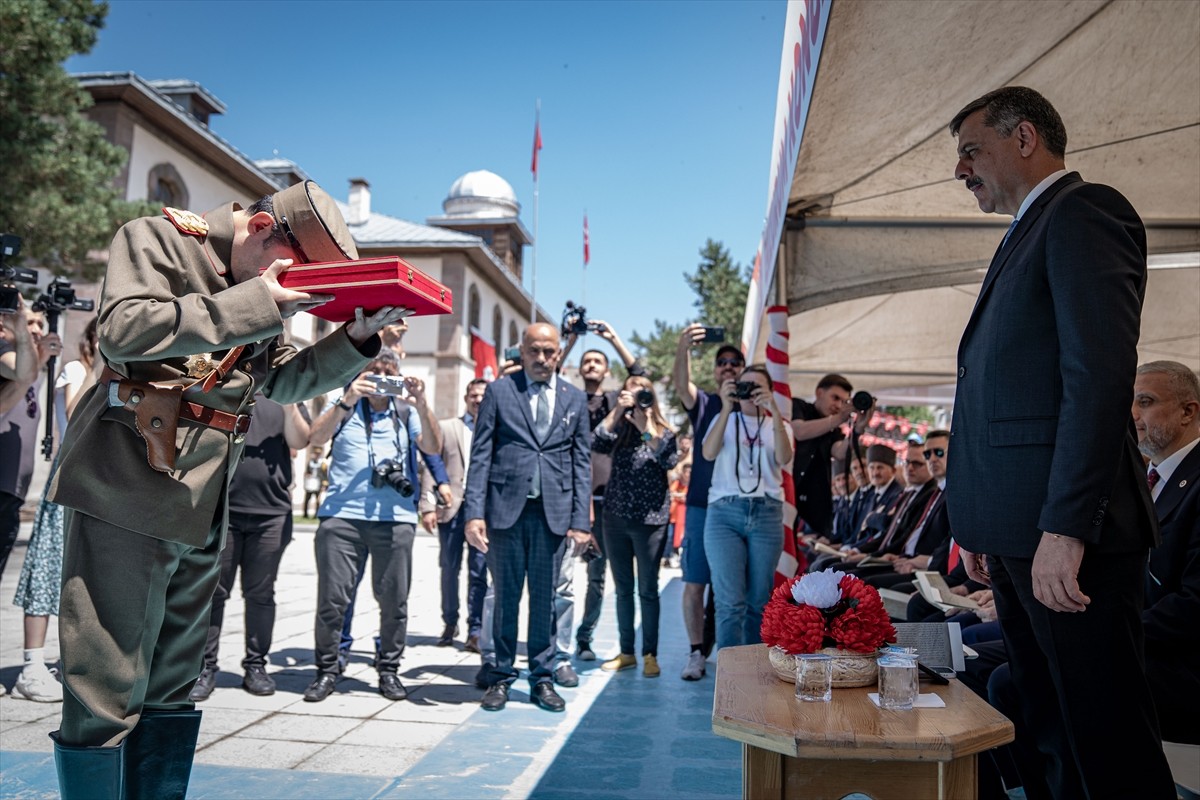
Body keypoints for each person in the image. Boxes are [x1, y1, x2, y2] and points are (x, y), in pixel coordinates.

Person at [45, 179, 406, 798]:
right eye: (295, 280)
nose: (299, 296)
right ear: (263, 230)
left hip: (203, 505)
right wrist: (261, 302)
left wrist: (356, 341)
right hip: (125, 490)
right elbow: (123, 332)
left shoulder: (262, 286)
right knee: (104, 681)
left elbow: (283, 385)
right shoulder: (156, 239)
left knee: (172, 685)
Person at [945, 86, 1174, 798]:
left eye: (970, 151)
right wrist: (982, 521)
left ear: (1024, 139)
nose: (961, 172)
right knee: (1046, 727)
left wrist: (1066, 527)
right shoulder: (1026, 231)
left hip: (1066, 536)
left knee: (1103, 740)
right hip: (1017, 531)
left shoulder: (1083, 212)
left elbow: (1097, 378)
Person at [464, 323, 593, 713]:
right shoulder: (501, 392)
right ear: (521, 351)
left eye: (549, 352)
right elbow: (481, 453)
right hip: (504, 514)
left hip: (552, 516)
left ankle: (542, 678)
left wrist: (581, 521)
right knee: (504, 599)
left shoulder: (574, 399)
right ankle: (501, 676)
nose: (541, 359)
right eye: (534, 351)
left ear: (558, 354)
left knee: (544, 601)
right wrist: (474, 513)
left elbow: (581, 463)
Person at [302, 350, 441, 703]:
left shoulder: (405, 411)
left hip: (395, 521)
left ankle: (389, 669)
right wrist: (349, 398)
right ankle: (327, 670)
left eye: (387, 371)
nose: (379, 376)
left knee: (394, 601)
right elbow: (316, 439)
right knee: (333, 601)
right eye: (372, 370)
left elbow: (432, 447)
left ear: (398, 375)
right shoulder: (343, 402)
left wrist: (423, 404)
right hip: (341, 518)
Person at [189, 393, 311, 701]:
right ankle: (204, 668)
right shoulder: (229, 385)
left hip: (271, 514)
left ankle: (256, 666)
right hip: (222, 509)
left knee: (260, 594)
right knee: (213, 592)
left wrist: (289, 400)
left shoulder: (288, 392)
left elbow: (300, 440)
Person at [9, 318, 97, 703]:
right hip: (67, 484)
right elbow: (76, 415)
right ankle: (31, 666)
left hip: (99, 490)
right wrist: (101, 367)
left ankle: (73, 663)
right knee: (47, 571)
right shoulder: (77, 370)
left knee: (86, 581)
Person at [562, 322, 646, 674]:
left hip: (608, 500)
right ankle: (560, 640)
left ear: (607, 370)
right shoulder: (568, 397)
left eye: (599, 361)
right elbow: (549, 369)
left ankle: (584, 637)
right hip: (573, 499)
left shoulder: (615, 399)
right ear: (580, 370)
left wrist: (611, 338)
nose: (593, 365)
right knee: (564, 577)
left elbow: (639, 374)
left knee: (599, 577)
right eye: (588, 361)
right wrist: (570, 340)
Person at [1132, 361, 1200, 746]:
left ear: (1188, 411)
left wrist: (1114, 631)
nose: (1133, 416)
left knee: (1015, 678)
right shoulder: (1146, 478)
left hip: (1180, 662)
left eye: (1145, 402)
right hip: (1144, 640)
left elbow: (1194, 605)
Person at [672, 326, 746, 680]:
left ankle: (732, 655)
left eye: (735, 362)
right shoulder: (705, 404)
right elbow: (680, 385)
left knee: (733, 591)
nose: (728, 367)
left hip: (739, 508)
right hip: (702, 507)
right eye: (722, 362)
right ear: (715, 370)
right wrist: (683, 347)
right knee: (694, 583)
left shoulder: (754, 408)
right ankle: (696, 653)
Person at [701, 364, 793, 649]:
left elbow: (784, 457)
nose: (749, 393)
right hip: (724, 512)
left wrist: (774, 411)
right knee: (729, 602)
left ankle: (754, 674)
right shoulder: (723, 419)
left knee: (759, 601)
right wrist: (728, 407)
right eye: (744, 386)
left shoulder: (780, 425)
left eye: (756, 387)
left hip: (766, 512)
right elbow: (708, 452)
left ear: (769, 390)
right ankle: (727, 678)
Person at [592, 376, 678, 677]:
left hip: (650, 522)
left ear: (651, 395)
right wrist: (618, 410)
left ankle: (650, 654)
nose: (638, 393)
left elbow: (667, 459)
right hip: (615, 518)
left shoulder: (664, 431)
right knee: (623, 589)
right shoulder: (619, 429)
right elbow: (596, 440)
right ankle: (627, 652)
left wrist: (645, 426)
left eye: (643, 389)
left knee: (648, 590)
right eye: (631, 388)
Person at [419, 378, 489, 652]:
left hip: (482, 512)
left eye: (483, 395)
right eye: (473, 395)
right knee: (449, 570)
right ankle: (450, 622)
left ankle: (476, 629)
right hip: (451, 509)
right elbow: (431, 461)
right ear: (465, 397)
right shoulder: (448, 428)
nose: (478, 400)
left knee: (479, 571)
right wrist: (427, 506)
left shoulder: (496, 429)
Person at [0, 304, 60, 576]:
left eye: (39, 324)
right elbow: (18, 378)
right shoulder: (5, 356)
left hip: (12, 491)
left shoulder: (32, 365)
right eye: (30, 322)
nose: (36, 330)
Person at [789, 374, 872, 538]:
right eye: (835, 398)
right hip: (789, 493)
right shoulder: (799, 406)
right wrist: (838, 419)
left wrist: (858, 429)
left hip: (815, 504)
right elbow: (799, 431)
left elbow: (840, 453)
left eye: (843, 402)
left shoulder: (834, 429)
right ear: (819, 392)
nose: (838, 405)